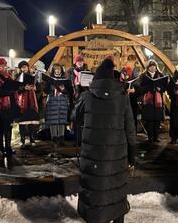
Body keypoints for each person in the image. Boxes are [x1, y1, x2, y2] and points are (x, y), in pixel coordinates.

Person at [74, 58, 136, 223]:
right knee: (115, 191)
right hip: (117, 155)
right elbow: (131, 130)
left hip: (92, 154)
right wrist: (132, 157)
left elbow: (74, 117)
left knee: (95, 191)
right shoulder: (123, 97)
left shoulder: (86, 96)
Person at [0, 57, 30, 168]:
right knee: (0, 129)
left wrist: (22, 87)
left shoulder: (8, 76)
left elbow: (14, 88)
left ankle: (8, 148)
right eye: (0, 66)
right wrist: (12, 90)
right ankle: (1, 149)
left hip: (9, 107)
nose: (3, 68)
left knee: (8, 128)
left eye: (4, 65)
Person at [138, 60, 166, 143]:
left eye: (154, 66)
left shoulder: (160, 75)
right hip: (148, 101)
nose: (153, 68)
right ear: (148, 68)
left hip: (158, 101)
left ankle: (156, 137)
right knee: (149, 120)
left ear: (156, 67)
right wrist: (147, 88)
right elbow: (139, 87)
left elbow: (164, 87)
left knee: (157, 120)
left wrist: (160, 88)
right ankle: (150, 137)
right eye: (151, 66)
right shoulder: (143, 76)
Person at [15, 61, 41, 147]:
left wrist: (35, 87)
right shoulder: (18, 77)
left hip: (32, 101)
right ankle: (22, 140)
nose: (24, 69)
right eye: (22, 67)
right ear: (20, 69)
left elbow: (39, 89)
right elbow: (16, 90)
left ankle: (32, 139)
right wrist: (24, 88)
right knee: (22, 122)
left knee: (31, 121)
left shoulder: (32, 76)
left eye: (25, 67)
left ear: (28, 67)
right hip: (22, 102)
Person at [45, 63, 71, 146]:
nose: (57, 70)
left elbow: (69, 91)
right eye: (56, 69)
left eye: (59, 69)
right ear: (53, 70)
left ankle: (61, 138)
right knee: (53, 120)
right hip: (52, 101)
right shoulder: (49, 79)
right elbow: (45, 90)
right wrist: (50, 88)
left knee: (61, 120)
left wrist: (63, 90)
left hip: (62, 101)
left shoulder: (65, 79)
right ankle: (54, 138)